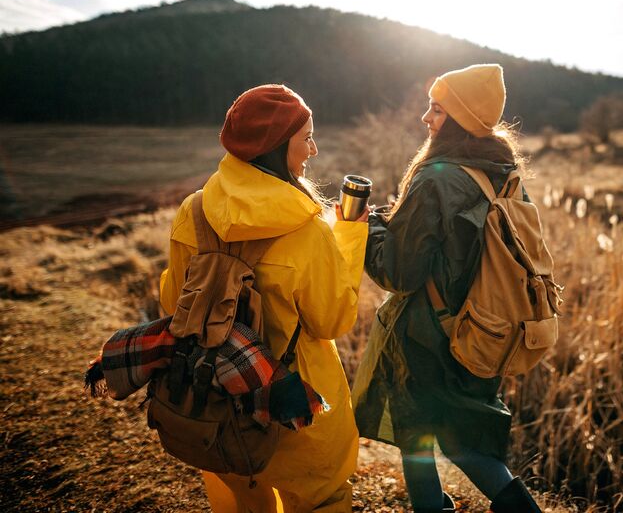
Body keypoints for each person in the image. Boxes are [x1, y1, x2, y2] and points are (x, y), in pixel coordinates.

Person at [159, 84, 369, 513]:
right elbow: (332, 320)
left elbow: (171, 301)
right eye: (306, 137)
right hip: (294, 402)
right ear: (276, 146)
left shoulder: (192, 211)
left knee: (238, 495)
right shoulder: (307, 232)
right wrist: (348, 233)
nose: (313, 149)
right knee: (321, 499)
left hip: (212, 397)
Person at [351, 64, 543, 513]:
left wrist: (368, 226)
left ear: (459, 118)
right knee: (460, 438)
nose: (426, 119)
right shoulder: (502, 173)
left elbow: (399, 273)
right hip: (485, 330)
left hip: (429, 337)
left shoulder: (436, 176)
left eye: (436, 109)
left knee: (425, 437)